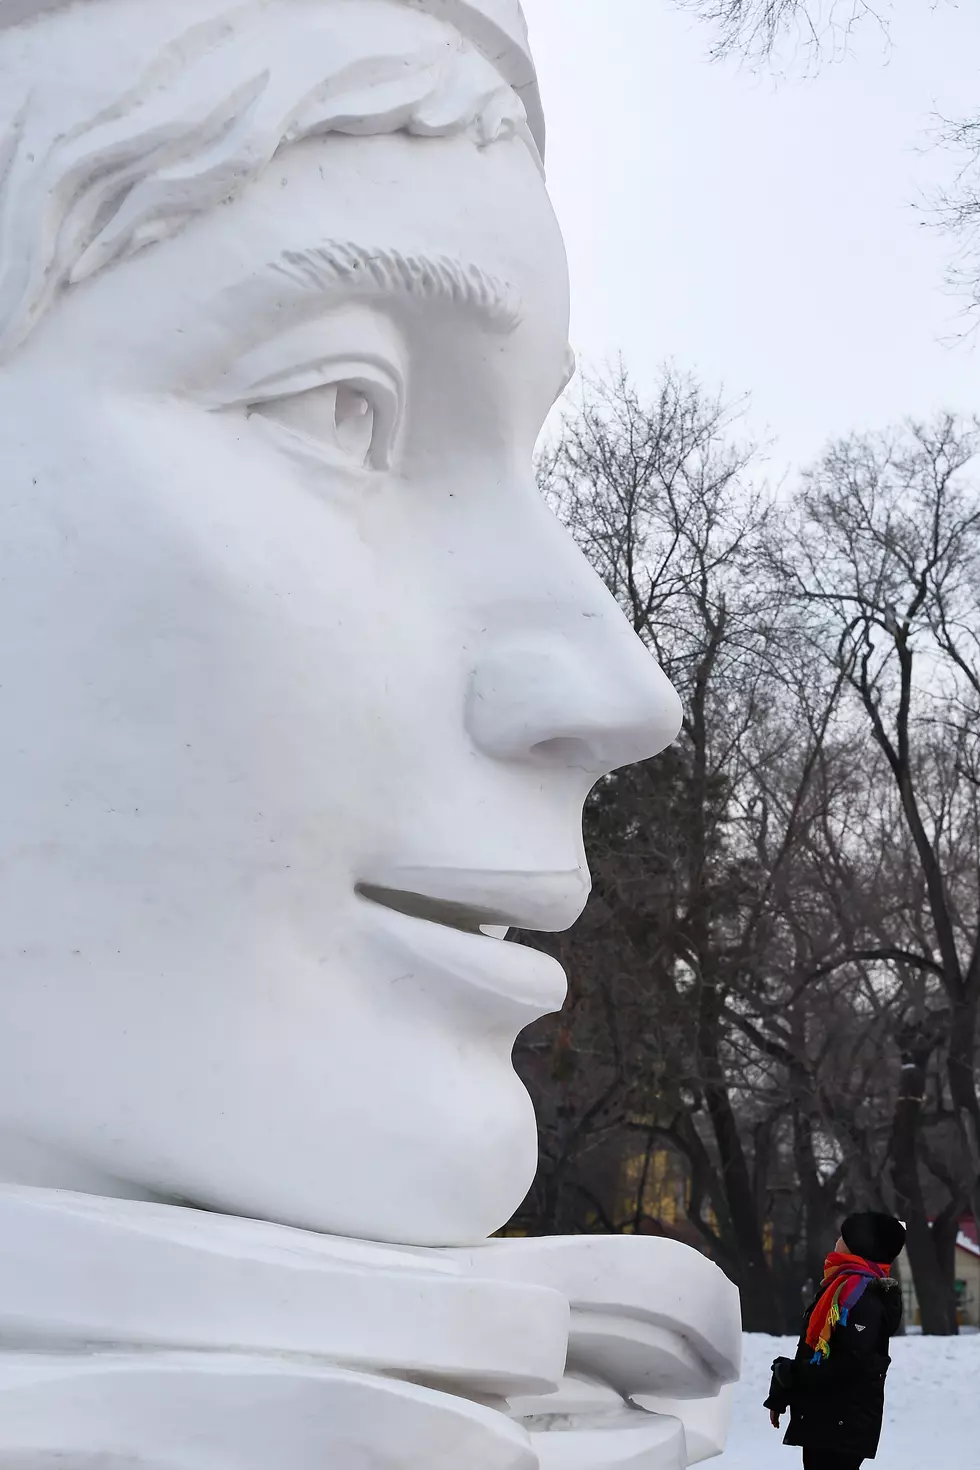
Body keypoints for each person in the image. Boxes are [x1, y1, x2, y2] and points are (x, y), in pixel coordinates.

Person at [765, 1212, 906, 1469]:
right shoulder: (843, 1287)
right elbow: (819, 1353)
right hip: (828, 1421)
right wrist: (784, 1388)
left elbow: (849, 1365)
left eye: (844, 1236)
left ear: (860, 1246)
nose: (837, 1240)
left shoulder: (860, 1297)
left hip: (841, 1425)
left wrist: (790, 1375)